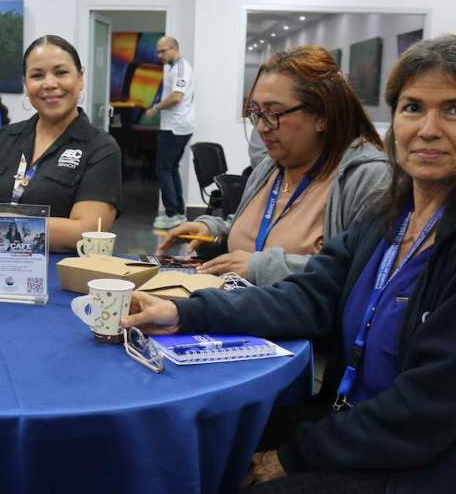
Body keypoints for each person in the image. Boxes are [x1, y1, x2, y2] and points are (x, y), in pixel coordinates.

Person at [123, 35, 456, 493]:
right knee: (195, 441)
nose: (428, 128)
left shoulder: (368, 185)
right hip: (344, 416)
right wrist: (183, 312)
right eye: (412, 107)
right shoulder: (390, 214)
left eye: (452, 110)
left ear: (321, 116)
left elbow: (423, 412)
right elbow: (311, 295)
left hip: (412, 460)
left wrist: (292, 455)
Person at [157, 45, 390, 286]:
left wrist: (259, 267)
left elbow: (361, 275)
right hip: (235, 311)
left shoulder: (366, 177)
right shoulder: (272, 166)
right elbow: (251, 230)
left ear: (322, 116)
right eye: (257, 112)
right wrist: (212, 230)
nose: (261, 127)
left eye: (274, 113)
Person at [0, 35, 122, 252]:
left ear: (80, 78)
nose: (49, 84)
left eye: (61, 73)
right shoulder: (0, 139)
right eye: (37, 75)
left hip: (57, 279)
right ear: (26, 85)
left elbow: (87, 232)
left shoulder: (100, 148)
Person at [146, 36, 195, 229]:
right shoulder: (173, 68)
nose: (159, 55)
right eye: (158, 51)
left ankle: (172, 214)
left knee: (163, 169)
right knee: (171, 168)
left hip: (176, 127)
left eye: (163, 51)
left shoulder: (182, 68)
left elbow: (176, 96)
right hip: (176, 125)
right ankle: (179, 213)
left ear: (174, 48)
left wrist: (155, 108)